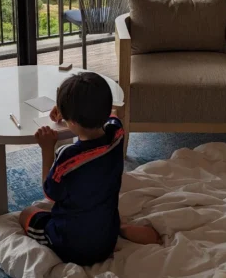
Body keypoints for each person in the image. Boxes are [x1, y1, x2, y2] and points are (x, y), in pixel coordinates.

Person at [18, 72, 161, 266]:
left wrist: (47, 149)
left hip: (71, 246)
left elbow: (49, 193)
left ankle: (63, 234)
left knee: (27, 213)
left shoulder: (68, 157)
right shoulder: (117, 134)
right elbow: (112, 115)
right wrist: (67, 109)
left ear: (73, 122)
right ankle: (122, 228)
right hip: (107, 238)